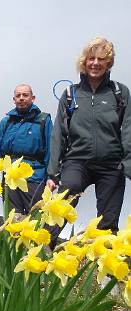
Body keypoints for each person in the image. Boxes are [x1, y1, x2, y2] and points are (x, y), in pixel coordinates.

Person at [47, 37, 130, 244]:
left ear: (108, 63)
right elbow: (59, 133)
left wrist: (127, 165)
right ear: (84, 62)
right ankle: (44, 248)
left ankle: (104, 272)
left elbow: (128, 129)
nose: (95, 63)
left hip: (111, 165)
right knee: (62, 205)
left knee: (108, 222)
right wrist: (52, 172)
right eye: (91, 58)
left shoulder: (120, 93)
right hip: (76, 161)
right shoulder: (70, 94)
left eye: (101, 59)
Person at [0, 84, 52, 214]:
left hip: (35, 178)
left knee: (35, 219)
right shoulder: (6, 122)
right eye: (18, 95)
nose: (21, 98)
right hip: (10, 179)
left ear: (33, 98)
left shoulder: (43, 121)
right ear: (14, 99)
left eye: (25, 95)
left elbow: (50, 151)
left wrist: (51, 177)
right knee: (12, 220)